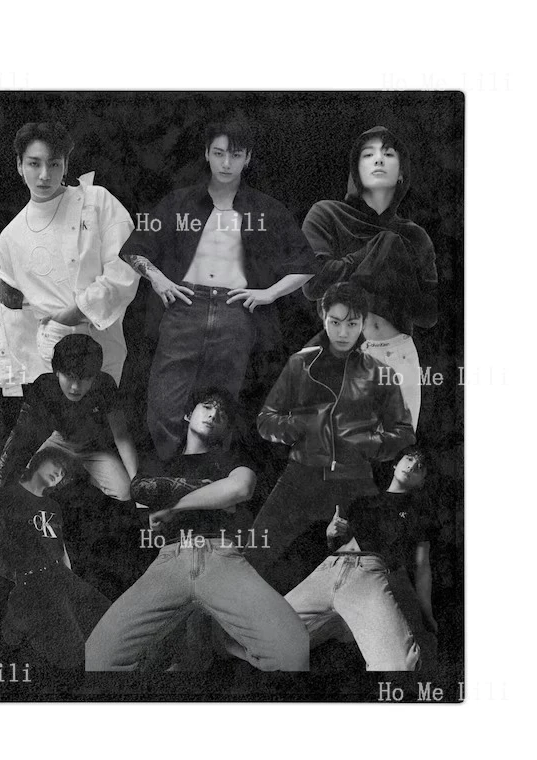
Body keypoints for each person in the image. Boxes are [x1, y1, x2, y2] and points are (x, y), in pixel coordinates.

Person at [118, 118, 318, 459]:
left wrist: (269, 293)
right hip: (185, 305)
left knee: (220, 408)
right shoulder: (180, 202)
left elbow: (306, 263)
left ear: (247, 158)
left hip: (235, 312)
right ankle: (172, 472)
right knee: (164, 404)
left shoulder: (266, 208)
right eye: (219, 153)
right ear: (206, 154)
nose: (226, 163)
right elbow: (134, 248)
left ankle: (208, 477)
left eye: (235, 155)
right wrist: (158, 278)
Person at [85, 387, 310, 672]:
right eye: (207, 406)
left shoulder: (231, 459)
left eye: (222, 413)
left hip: (220, 558)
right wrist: (211, 492)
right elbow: (143, 496)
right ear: (188, 414)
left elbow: (240, 487)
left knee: (293, 650)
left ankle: (222, 643)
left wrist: (174, 507)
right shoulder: (159, 464)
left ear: (226, 428)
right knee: (99, 657)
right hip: (169, 561)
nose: (214, 414)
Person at [252, 282, 415, 591]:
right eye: (335, 322)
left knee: (370, 575)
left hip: (354, 483)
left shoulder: (381, 373)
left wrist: (368, 443)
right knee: (253, 557)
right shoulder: (300, 364)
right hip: (300, 476)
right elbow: (265, 420)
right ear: (322, 316)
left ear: (363, 322)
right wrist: (301, 425)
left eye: (352, 323)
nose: (343, 332)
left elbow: (404, 434)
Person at [0, 121, 139, 396]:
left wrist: (80, 309)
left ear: (65, 165)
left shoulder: (96, 202)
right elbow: (12, 313)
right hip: (49, 357)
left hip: (101, 342)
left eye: (54, 164)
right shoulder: (11, 236)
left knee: (102, 416)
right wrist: (12, 379)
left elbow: (125, 265)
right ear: (19, 165)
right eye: (34, 164)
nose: (44, 175)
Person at [301, 126, 438, 430]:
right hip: (344, 355)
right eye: (368, 154)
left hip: (399, 355)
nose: (378, 159)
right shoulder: (326, 214)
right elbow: (313, 283)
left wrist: (398, 270)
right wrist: (375, 252)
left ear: (401, 173)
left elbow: (428, 314)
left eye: (388, 153)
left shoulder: (415, 236)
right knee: (339, 455)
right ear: (355, 169)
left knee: (397, 452)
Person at [284, 447, 437, 671]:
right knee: (262, 634)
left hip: (367, 574)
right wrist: (330, 534)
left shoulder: (419, 511)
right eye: (409, 458)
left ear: (422, 481)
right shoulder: (363, 503)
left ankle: (341, 623)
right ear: (396, 464)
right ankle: (336, 623)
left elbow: (422, 565)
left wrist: (426, 612)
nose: (412, 465)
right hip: (330, 567)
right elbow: (340, 542)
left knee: (400, 663)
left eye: (420, 467)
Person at [0, 447, 111, 668]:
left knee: (108, 617)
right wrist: (18, 584)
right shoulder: (7, 495)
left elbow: (59, 546)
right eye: (56, 465)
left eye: (63, 472)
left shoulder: (52, 506)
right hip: (31, 580)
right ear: (38, 461)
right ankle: (17, 618)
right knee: (73, 650)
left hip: (60, 575)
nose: (58, 473)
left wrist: (69, 580)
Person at [0, 334, 138, 508]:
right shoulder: (44, 385)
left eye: (85, 379)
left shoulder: (105, 384)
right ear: (57, 371)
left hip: (93, 447)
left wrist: (137, 483)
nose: (76, 387)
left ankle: (80, 475)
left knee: (125, 491)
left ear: (95, 376)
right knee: (26, 484)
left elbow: (121, 435)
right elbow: (19, 435)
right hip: (58, 443)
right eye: (69, 376)